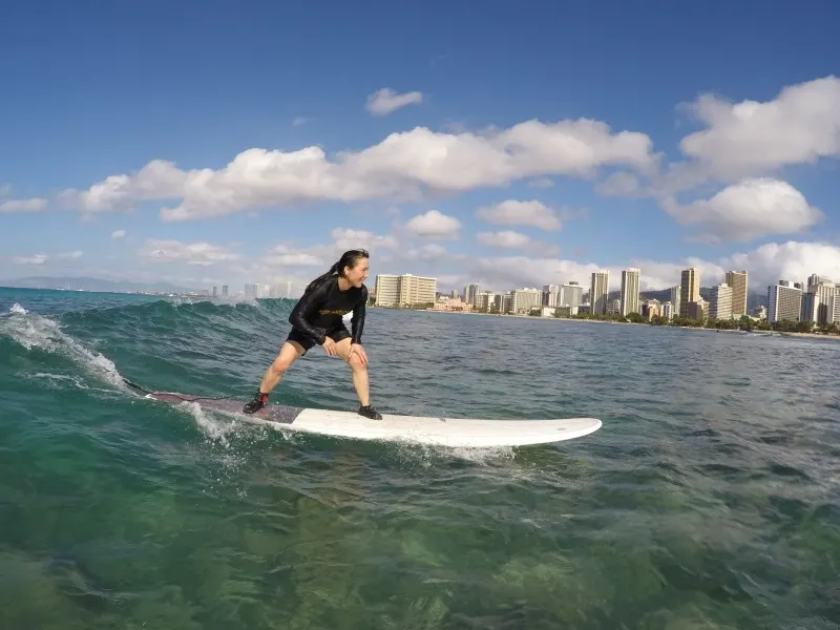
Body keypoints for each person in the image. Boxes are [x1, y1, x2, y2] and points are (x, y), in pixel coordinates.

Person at [242, 249, 382, 420]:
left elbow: (359, 316)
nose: (366, 275)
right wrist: (320, 338)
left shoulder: (360, 292)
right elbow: (295, 317)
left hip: (333, 328)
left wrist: (356, 341)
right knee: (281, 364)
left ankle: (365, 407)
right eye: (363, 270)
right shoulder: (323, 287)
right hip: (306, 328)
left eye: (367, 270)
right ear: (347, 270)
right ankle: (260, 399)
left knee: (358, 360)